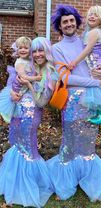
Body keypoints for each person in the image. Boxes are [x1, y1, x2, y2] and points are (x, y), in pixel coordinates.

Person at [47, 4, 101, 201]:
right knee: (69, 142)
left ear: (76, 22)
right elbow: (66, 78)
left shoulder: (88, 39)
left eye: (71, 20)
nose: (69, 24)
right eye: (64, 22)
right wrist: (95, 82)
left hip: (91, 101)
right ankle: (65, 183)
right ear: (59, 26)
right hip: (72, 101)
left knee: (88, 143)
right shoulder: (57, 49)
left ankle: (90, 181)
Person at [0, 37, 57, 207]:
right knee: (18, 143)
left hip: (31, 114)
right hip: (18, 110)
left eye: (41, 50)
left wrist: (30, 85)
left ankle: (28, 185)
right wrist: (13, 91)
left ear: (47, 52)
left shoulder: (51, 72)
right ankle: (14, 182)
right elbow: (14, 81)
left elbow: (41, 102)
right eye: (35, 51)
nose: (38, 54)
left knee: (28, 147)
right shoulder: (28, 65)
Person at [68, 5, 101, 124]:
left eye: (96, 14)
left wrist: (74, 62)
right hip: (96, 62)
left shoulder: (94, 32)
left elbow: (87, 50)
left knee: (98, 89)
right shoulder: (94, 32)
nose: (92, 16)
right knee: (100, 88)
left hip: (94, 63)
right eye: (90, 14)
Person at [0, 36, 42, 123]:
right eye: (20, 48)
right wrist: (36, 78)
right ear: (17, 49)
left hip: (26, 89)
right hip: (19, 89)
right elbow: (23, 77)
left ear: (30, 49)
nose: (23, 50)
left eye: (26, 48)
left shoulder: (29, 60)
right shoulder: (19, 62)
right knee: (18, 109)